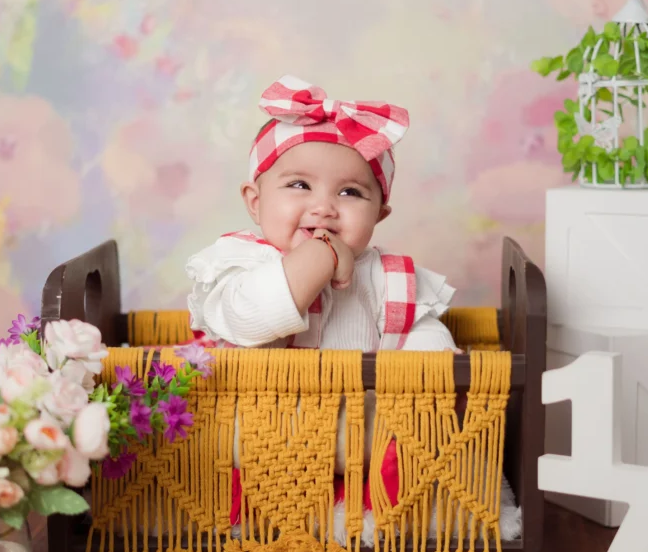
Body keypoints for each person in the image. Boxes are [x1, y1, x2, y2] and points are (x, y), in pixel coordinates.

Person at [185, 74, 458, 353]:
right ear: (256, 202)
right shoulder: (238, 261)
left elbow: (422, 343)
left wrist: (438, 362)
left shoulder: (386, 277)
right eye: (300, 185)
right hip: (262, 397)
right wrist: (321, 254)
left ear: (378, 215)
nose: (324, 208)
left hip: (362, 398)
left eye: (349, 192)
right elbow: (248, 321)